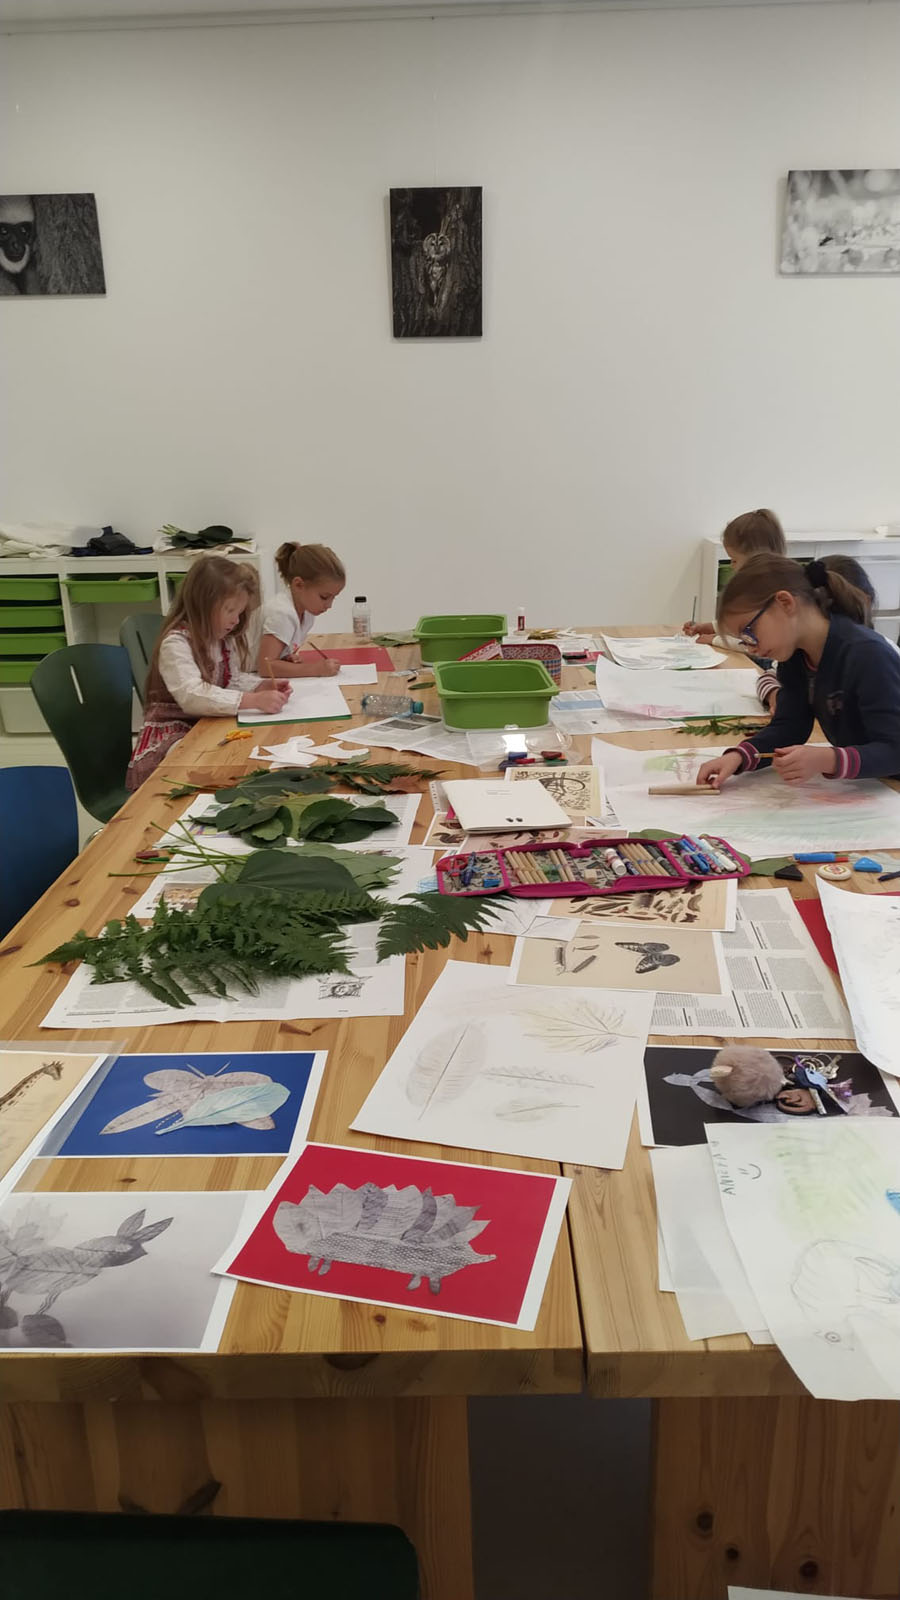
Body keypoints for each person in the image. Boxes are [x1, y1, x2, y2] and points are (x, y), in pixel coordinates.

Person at [696, 553, 900, 788]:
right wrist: (739, 756)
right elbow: (790, 726)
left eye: (749, 631)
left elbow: (895, 750)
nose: (751, 647)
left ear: (785, 602)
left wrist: (828, 759)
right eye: (744, 639)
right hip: (874, 785)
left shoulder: (867, 654)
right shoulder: (796, 656)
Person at [126, 556, 288, 790]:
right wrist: (252, 700)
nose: (236, 620)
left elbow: (230, 681)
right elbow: (192, 696)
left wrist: (259, 686)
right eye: (230, 610)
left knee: (244, 753)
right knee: (207, 766)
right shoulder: (176, 644)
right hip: (173, 733)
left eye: (239, 612)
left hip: (205, 723)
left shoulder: (221, 640)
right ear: (202, 604)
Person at [684, 508, 787, 644]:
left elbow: (756, 645)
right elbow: (741, 622)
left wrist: (716, 640)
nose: (732, 566)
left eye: (734, 560)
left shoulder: (772, 593)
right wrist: (709, 627)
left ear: (756, 558)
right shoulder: (753, 586)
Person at [258, 542, 346, 679]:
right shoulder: (282, 613)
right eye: (324, 597)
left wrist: (285, 657)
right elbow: (265, 667)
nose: (329, 605)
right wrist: (315, 669)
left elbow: (272, 658)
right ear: (298, 585)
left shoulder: (307, 613)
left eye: (333, 598)